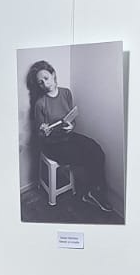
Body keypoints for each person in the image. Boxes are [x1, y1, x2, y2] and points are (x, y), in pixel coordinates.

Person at [25, 60, 115, 215]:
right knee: (86, 156)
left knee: (96, 149)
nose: (45, 84)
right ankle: (91, 192)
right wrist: (44, 131)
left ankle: (94, 191)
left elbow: (71, 117)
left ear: (53, 74)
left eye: (46, 78)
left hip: (68, 136)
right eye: (40, 82)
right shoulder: (40, 103)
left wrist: (71, 125)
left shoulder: (66, 93)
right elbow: (40, 134)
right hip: (52, 145)